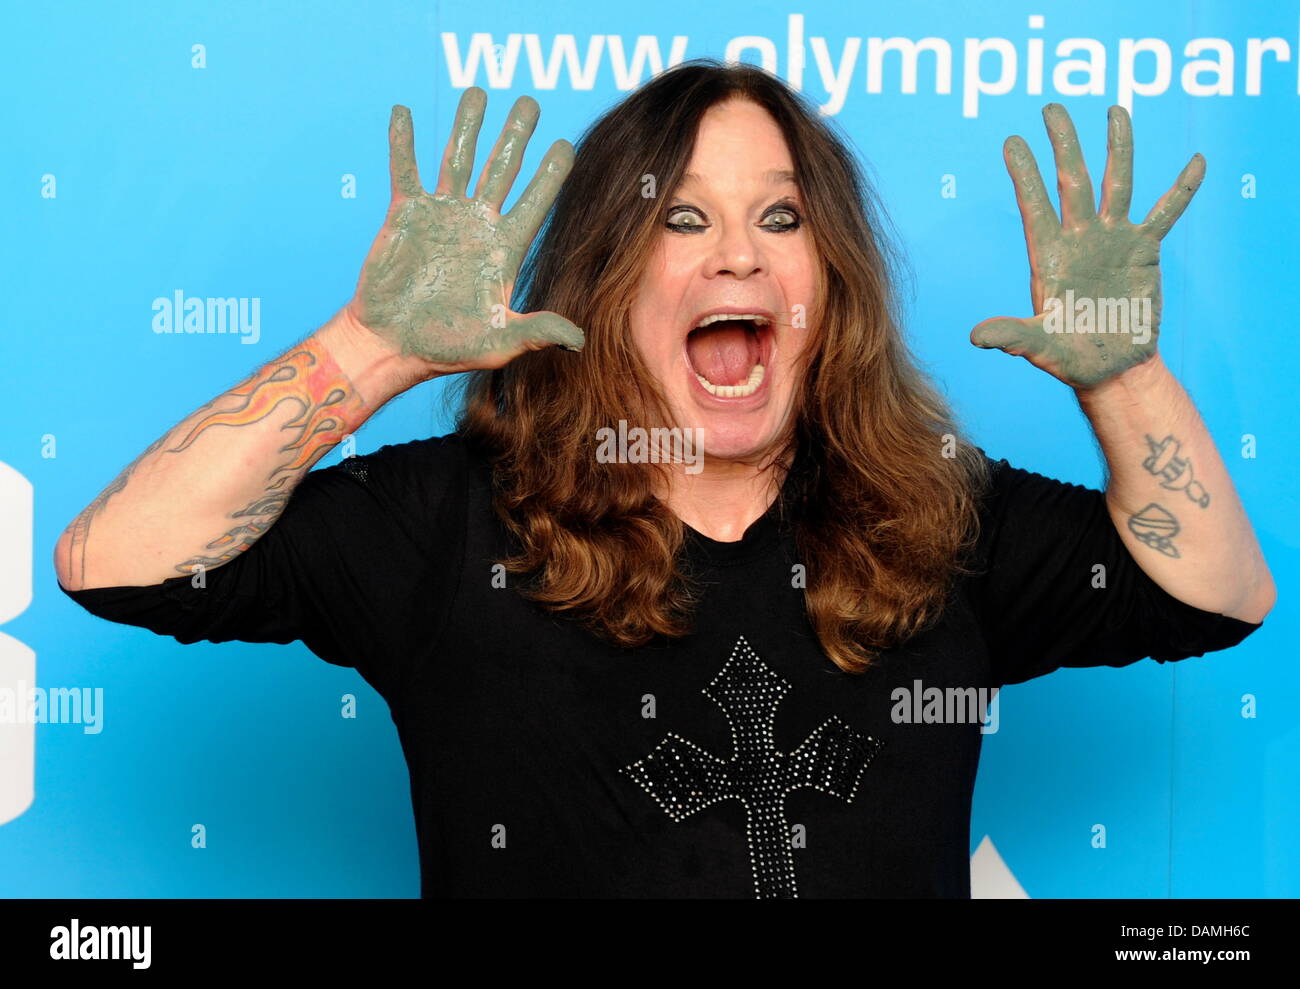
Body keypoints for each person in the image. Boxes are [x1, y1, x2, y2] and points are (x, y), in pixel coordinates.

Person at [55, 60, 1275, 898]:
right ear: (606, 278)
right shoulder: (451, 519)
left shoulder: (939, 513)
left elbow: (1216, 594)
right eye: (679, 221)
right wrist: (373, 348)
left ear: (828, 283)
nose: (736, 250)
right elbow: (116, 560)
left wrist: (1122, 372)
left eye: (781, 218)